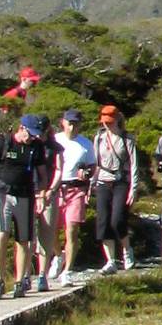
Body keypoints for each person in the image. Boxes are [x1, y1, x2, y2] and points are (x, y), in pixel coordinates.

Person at [0, 114, 50, 299]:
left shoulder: (36, 147)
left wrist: (42, 194)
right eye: (31, 134)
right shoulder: (4, 143)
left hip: (26, 196)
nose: (32, 138)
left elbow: (43, 175)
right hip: (4, 195)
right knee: (2, 235)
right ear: (22, 128)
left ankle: (19, 282)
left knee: (23, 240)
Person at [90, 105, 141, 274]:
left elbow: (134, 165)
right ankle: (110, 260)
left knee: (118, 220)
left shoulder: (127, 139)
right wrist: (92, 184)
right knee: (103, 222)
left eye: (110, 122)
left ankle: (127, 251)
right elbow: (96, 164)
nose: (107, 125)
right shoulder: (99, 138)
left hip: (121, 182)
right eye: (105, 122)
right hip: (103, 182)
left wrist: (133, 189)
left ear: (118, 120)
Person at [49, 108, 95, 284]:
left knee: (72, 229)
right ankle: (58, 255)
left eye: (76, 124)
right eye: (69, 123)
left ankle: (68, 270)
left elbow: (92, 166)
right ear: (63, 123)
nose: (72, 127)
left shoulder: (86, 144)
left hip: (76, 189)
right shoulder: (55, 140)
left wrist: (87, 173)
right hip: (57, 188)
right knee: (51, 228)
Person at [27, 110, 61, 292]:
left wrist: (51, 189)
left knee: (46, 234)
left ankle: (42, 275)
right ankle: (25, 275)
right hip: (30, 193)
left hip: (49, 194)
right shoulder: (29, 145)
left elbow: (59, 170)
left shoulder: (54, 148)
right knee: (27, 235)